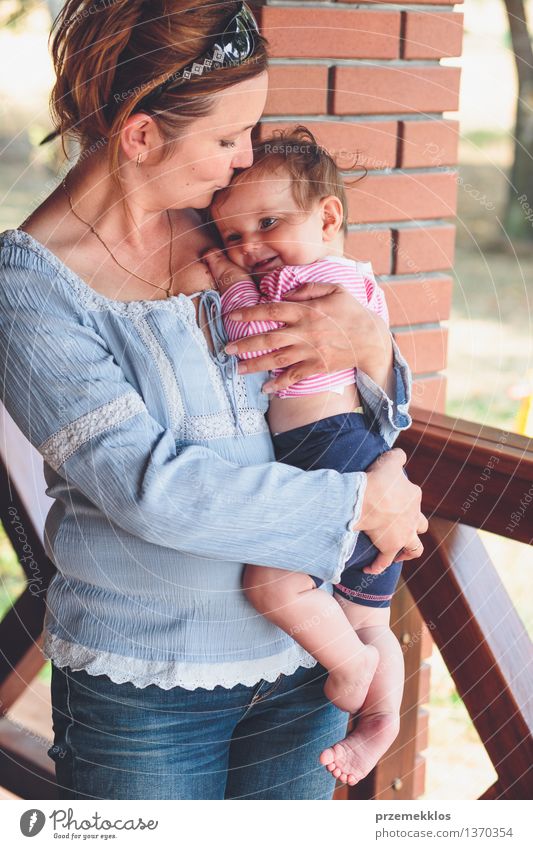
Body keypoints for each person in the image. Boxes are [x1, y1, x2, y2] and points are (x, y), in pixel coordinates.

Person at [0, 1, 426, 800]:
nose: (244, 158)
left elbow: (351, 383)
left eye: (252, 134)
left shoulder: (232, 226)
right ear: (140, 135)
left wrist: (370, 348)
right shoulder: (29, 288)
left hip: (308, 663)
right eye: (228, 137)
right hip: (148, 690)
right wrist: (356, 501)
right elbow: (148, 490)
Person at [202, 127, 410, 787]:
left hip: (330, 450)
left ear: (327, 218)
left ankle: (348, 666)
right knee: (367, 611)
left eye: (268, 223)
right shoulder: (348, 282)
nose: (251, 247)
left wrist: (230, 281)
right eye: (233, 236)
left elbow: (255, 327)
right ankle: (381, 715)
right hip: (344, 451)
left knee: (269, 582)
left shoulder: (318, 280)